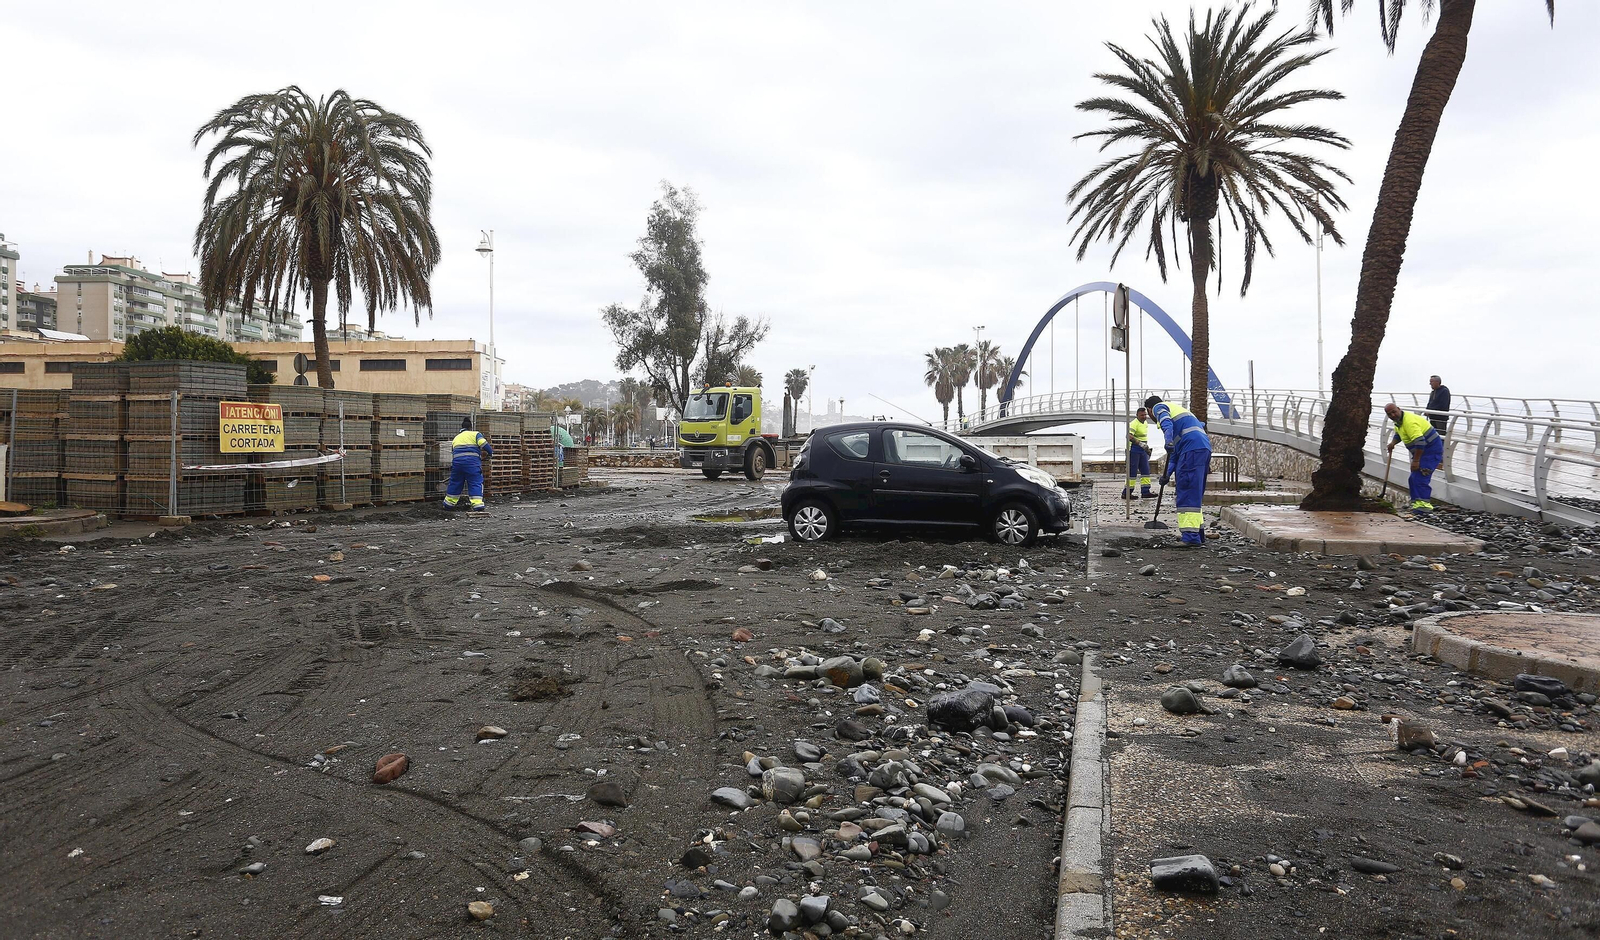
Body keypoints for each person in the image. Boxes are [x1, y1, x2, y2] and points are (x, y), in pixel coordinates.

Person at [1145, 395, 1213, 546]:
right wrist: (1167, 475)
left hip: (1191, 451)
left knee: (1186, 491)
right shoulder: (1180, 416)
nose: (1151, 416)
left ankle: (1190, 537)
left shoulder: (1160, 407)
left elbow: (1166, 423)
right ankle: (1197, 534)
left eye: (1149, 414)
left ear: (1149, 410)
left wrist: (1167, 439)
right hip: (1202, 449)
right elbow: (1174, 456)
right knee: (1194, 492)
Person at [1385, 402, 1444, 513]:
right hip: (1422, 451)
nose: (1392, 415)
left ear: (1399, 409)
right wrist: (1393, 443)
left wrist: (1416, 461)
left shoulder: (1409, 422)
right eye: (1389, 414)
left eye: (1394, 412)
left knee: (1421, 476)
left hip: (1430, 450)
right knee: (1413, 478)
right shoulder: (1398, 422)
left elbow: (1420, 442)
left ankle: (1424, 507)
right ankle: (1417, 504)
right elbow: (1399, 434)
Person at [444, 417, 492, 511]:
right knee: (475, 482)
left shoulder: (456, 438)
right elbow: (483, 443)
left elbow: (453, 452)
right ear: (471, 427)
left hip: (457, 464)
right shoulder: (475, 434)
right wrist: (490, 453)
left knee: (455, 482)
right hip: (472, 464)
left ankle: (448, 504)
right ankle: (477, 505)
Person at [1121, 407, 1155, 500]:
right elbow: (1129, 436)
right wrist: (1139, 443)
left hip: (1143, 450)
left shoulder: (1145, 423)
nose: (1144, 416)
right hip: (1133, 449)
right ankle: (1126, 493)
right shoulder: (1134, 423)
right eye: (1142, 415)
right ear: (1137, 415)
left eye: (1145, 415)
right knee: (1132, 472)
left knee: (1146, 471)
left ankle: (1145, 491)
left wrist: (1146, 447)